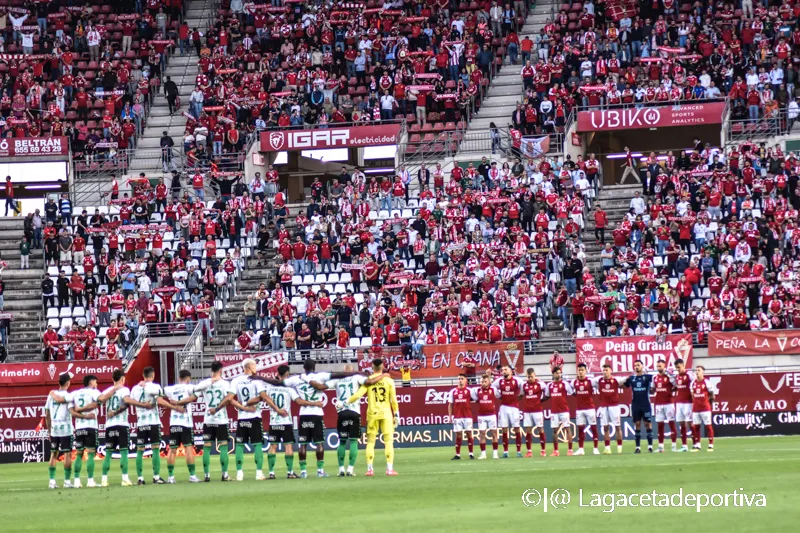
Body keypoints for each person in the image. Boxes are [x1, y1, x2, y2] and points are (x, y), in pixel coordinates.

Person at [48, 375, 120, 488]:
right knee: (91, 454)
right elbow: (101, 399)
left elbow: (59, 399)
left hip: (79, 427)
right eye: (95, 382)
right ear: (91, 383)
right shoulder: (93, 392)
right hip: (91, 426)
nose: (97, 385)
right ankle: (90, 480)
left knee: (79, 454)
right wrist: (114, 389)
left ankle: (76, 481)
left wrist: (52, 394)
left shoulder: (75, 393)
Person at [230, 358, 286, 481]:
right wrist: (277, 409)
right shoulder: (256, 380)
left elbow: (230, 399)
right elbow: (264, 397)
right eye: (255, 366)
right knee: (257, 445)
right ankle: (258, 473)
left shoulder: (236, 380)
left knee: (240, 445)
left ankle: (239, 474)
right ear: (249, 368)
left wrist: (242, 406)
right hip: (254, 417)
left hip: (242, 418)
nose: (256, 368)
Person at [347, 358, 400, 476]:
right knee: (389, 442)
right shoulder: (389, 380)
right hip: (386, 413)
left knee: (370, 442)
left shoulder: (368, 380)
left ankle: (370, 469)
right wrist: (396, 414)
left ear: (372, 368)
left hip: (372, 414)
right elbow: (394, 400)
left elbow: (358, 395)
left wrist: (346, 402)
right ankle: (389, 469)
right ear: (382, 367)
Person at [163, 369, 215, 483]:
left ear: (178, 378)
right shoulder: (189, 387)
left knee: (172, 450)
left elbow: (159, 393)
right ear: (188, 379)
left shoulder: (170, 389)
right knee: (188, 449)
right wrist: (213, 379)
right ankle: (192, 476)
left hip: (173, 423)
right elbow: (198, 389)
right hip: (186, 423)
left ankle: (171, 477)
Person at [130, 366, 171, 484]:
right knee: (155, 449)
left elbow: (131, 402)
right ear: (152, 375)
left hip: (141, 422)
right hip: (153, 422)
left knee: (140, 450)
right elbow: (160, 398)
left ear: (143, 375)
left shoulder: (134, 388)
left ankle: (140, 478)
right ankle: (156, 477)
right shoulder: (155, 387)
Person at [196, 361, 235, 482]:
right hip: (221, 419)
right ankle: (225, 474)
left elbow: (194, 394)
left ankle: (207, 475)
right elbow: (229, 398)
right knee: (223, 446)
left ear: (211, 371)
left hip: (208, 419)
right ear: (220, 371)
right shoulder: (224, 384)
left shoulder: (204, 384)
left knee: (207, 446)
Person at [45, 372, 75, 489]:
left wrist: (49, 429)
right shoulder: (68, 396)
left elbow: (47, 414)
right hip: (66, 429)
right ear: (68, 383)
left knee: (53, 454)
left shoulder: (51, 395)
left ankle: (52, 482)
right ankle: (67, 481)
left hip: (54, 429)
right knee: (67, 454)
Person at [491, 364, 524, 458]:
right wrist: (499, 396)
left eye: (506, 369)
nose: (503, 371)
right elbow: (493, 387)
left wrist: (520, 395)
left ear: (510, 371)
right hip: (504, 407)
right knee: (504, 429)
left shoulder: (517, 380)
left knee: (516, 428)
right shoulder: (499, 381)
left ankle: (518, 451)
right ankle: (505, 452)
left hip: (514, 408)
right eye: (502, 370)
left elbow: (523, 387)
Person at [624, 359, 654, 453]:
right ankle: (638, 447)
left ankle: (650, 446)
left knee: (647, 424)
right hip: (635, 405)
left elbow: (656, 381)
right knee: (637, 424)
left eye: (638, 365)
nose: (636, 367)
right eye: (635, 365)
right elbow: (624, 385)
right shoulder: (631, 378)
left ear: (642, 366)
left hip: (646, 404)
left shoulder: (648, 377)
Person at [543, 366, 574, 456]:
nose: (559, 374)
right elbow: (547, 396)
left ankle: (570, 450)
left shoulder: (564, 384)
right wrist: (539, 400)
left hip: (564, 410)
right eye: (557, 372)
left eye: (560, 372)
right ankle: (556, 451)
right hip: (554, 411)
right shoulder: (550, 385)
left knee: (567, 429)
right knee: (554, 431)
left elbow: (571, 392)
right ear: (553, 374)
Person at [598, 364, 627, 454]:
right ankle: (607, 448)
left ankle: (619, 447)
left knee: (617, 427)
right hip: (603, 407)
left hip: (614, 407)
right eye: (604, 370)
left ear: (611, 371)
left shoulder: (616, 380)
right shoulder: (599, 380)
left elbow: (625, 380)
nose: (605, 372)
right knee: (605, 428)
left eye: (606, 370)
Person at [571, 363, 599, 456]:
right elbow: (571, 391)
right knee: (580, 429)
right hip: (579, 409)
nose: (581, 372)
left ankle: (595, 448)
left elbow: (600, 386)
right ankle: (581, 449)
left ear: (586, 371)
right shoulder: (574, 382)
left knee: (593, 428)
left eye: (582, 370)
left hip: (590, 409)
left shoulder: (591, 382)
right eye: (579, 370)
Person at [652, 359, 678, 452]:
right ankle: (660, 447)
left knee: (671, 424)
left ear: (664, 366)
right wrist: (651, 389)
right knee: (660, 425)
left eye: (660, 366)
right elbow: (652, 389)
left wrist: (671, 377)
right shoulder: (654, 377)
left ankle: (674, 446)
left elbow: (676, 386)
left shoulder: (669, 376)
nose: (659, 368)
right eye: (657, 366)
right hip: (658, 404)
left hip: (669, 403)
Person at [472, 374, 500, 459]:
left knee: (494, 433)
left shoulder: (493, 390)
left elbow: (499, 396)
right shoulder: (477, 390)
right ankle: (483, 454)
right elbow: (476, 400)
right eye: (482, 382)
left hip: (491, 415)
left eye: (485, 381)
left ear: (489, 382)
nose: (483, 383)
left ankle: (495, 453)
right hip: (481, 416)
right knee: (482, 434)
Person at [448, 374, 475, 460]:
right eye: (459, 379)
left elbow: (476, 399)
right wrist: (450, 417)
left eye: (462, 379)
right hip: (457, 416)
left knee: (469, 433)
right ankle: (457, 454)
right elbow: (450, 405)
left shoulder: (470, 391)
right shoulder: (453, 391)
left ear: (465, 380)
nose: (460, 380)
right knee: (458, 435)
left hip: (467, 416)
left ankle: (471, 453)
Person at [521, 368, 546, 457]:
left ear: (534, 375)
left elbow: (547, 392)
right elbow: (521, 394)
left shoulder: (540, 384)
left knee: (540, 429)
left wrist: (541, 400)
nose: (530, 378)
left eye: (531, 376)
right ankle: (529, 451)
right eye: (528, 377)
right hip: (527, 411)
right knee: (528, 430)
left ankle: (543, 450)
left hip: (537, 410)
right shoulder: (524, 385)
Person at [691, 365, 716, 452]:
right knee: (696, 427)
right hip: (696, 409)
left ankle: (710, 444)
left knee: (708, 426)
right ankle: (698, 445)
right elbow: (692, 395)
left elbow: (712, 394)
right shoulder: (693, 383)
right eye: (696, 370)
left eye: (699, 370)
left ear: (703, 372)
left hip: (705, 408)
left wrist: (709, 402)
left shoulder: (706, 382)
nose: (697, 372)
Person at [672, 358, 694, 452]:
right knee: (681, 423)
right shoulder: (677, 377)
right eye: (676, 368)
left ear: (683, 365)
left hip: (688, 403)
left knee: (690, 423)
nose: (678, 369)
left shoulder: (689, 374)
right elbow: (676, 387)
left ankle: (696, 444)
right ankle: (684, 445)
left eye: (679, 367)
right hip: (679, 403)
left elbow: (695, 384)